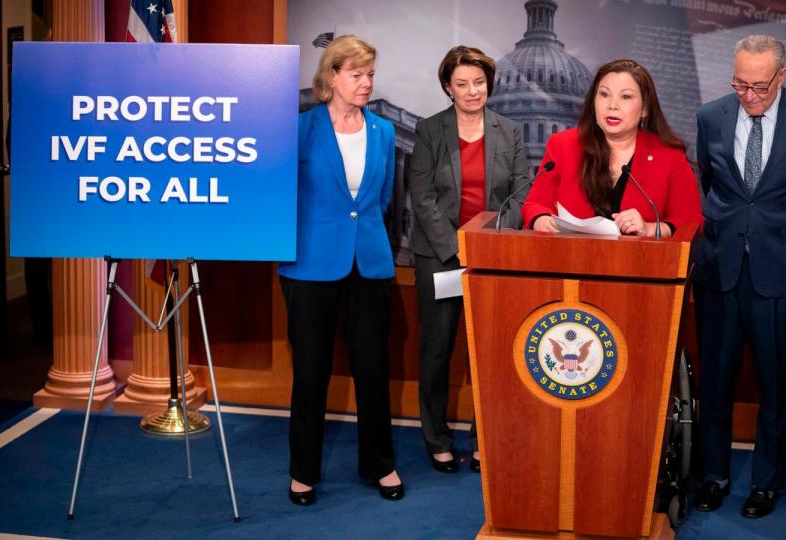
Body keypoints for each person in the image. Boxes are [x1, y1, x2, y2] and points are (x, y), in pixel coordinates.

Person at [692, 34, 786, 518]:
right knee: (715, 383)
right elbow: (709, 187)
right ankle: (713, 475)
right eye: (740, 83)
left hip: (780, 274)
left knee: (775, 387)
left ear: (781, 76)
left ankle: (765, 482)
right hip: (720, 272)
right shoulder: (712, 115)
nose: (748, 95)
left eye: (759, 86)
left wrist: (785, 243)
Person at [278, 35, 403, 506]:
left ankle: (380, 465)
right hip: (309, 266)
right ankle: (303, 473)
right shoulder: (300, 128)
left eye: (370, 73)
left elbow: (384, 197)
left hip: (368, 265)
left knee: (373, 370)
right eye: (357, 74)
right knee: (311, 373)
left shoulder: (383, 132)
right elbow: (283, 193)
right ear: (331, 76)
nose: (367, 82)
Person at [408, 45, 530, 473]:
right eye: (462, 84)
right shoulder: (429, 131)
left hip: (492, 257)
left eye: (479, 82)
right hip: (440, 257)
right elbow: (421, 198)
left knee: (491, 354)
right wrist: (458, 246)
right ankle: (437, 439)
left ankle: (485, 440)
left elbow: (522, 191)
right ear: (448, 87)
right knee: (437, 352)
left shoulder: (510, 131)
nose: (472, 90)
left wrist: (487, 241)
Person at [521, 59, 702, 235]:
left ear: (645, 108)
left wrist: (649, 229)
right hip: (570, 259)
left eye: (626, 97)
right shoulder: (563, 145)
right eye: (604, 94)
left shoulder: (669, 156)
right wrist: (540, 219)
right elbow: (534, 206)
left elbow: (691, 222)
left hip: (640, 261)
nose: (612, 106)